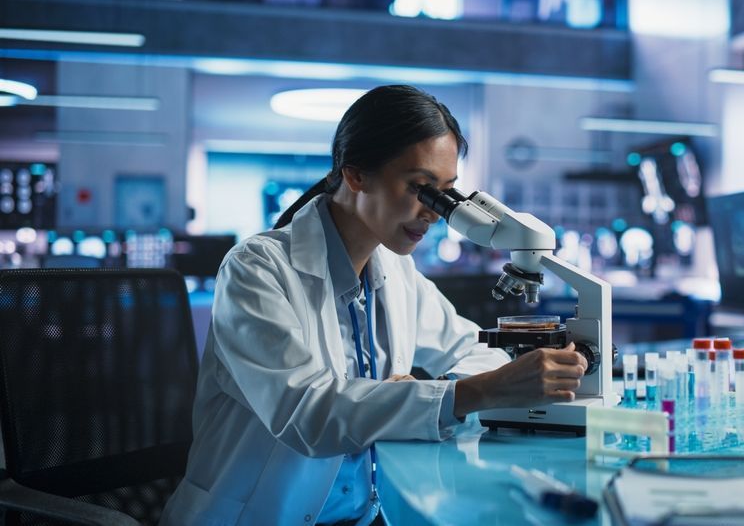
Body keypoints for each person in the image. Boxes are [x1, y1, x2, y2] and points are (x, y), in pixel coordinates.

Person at [161, 85, 587, 526]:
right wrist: (466, 393)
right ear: (356, 175)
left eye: (446, 193)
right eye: (421, 188)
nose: (434, 212)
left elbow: (475, 349)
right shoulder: (257, 270)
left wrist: (434, 388)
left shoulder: (397, 272)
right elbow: (309, 413)